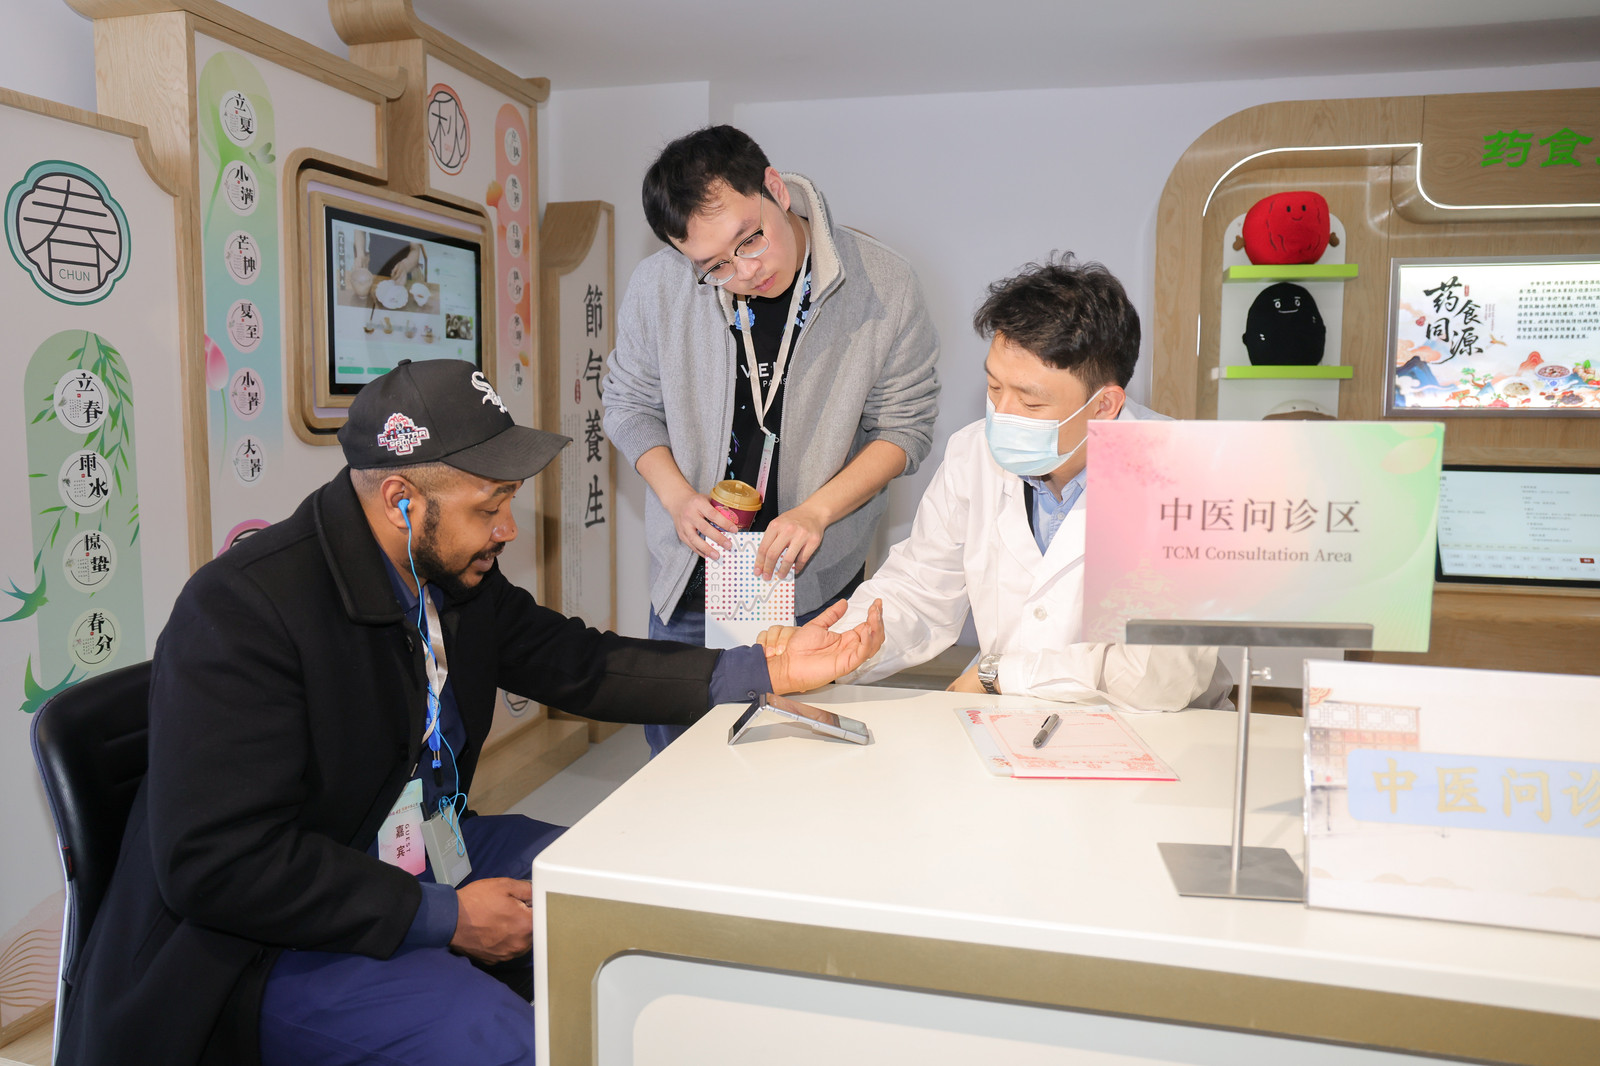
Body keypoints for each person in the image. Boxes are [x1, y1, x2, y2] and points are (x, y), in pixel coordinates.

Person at [56, 358, 883, 1066]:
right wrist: (444, 917)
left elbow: (580, 663)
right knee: (500, 1041)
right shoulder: (245, 611)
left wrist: (763, 667)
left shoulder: (449, 575)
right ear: (400, 499)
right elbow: (219, 864)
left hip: (417, 845)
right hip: (269, 938)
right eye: (489, 507)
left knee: (619, 894)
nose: (507, 529)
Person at [761, 256, 1228, 711]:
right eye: (994, 388)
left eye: (1030, 403)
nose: (1001, 416)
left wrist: (1001, 674)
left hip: (1159, 735)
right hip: (1010, 725)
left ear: (1104, 406)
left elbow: (1155, 674)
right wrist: (838, 646)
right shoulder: (974, 454)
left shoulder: (1185, 478)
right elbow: (920, 589)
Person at [602, 125, 939, 753]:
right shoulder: (660, 285)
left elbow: (904, 426)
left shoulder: (883, 283)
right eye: (714, 266)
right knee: (678, 771)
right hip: (694, 580)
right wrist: (676, 497)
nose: (744, 271)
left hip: (812, 582)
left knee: (801, 771)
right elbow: (627, 403)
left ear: (776, 190)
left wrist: (818, 511)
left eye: (749, 239)